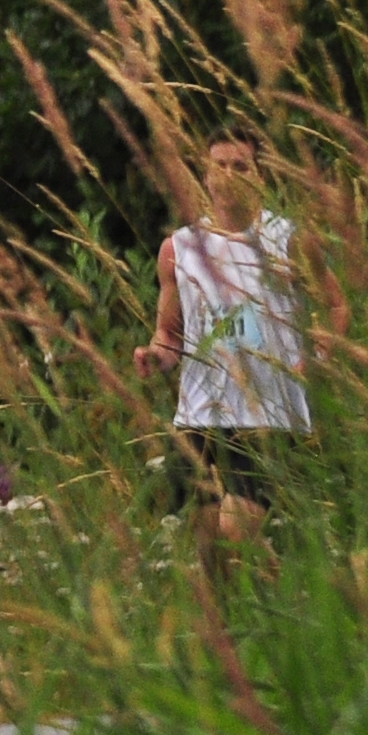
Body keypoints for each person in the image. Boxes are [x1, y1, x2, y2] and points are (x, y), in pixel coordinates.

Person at [131, 131, 307, 537]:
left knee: (236, 529)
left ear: (261, 176)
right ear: (205, 176)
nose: (229, 175)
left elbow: (337, 305)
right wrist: (155, 355)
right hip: (201, 417)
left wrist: (315, 360)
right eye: (219, 166)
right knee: (209, 550)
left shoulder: (287, 241)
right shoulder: (179, 249)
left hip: (267, 416)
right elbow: (170, 335)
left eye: (240, 166)